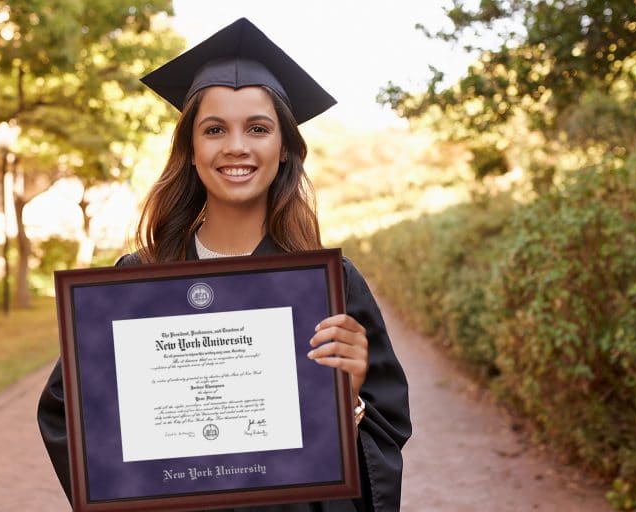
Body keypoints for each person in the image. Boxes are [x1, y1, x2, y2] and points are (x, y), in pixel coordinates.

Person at [37, 18, 411, 511]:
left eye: (257, 128)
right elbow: (69, 412)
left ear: (283, 150)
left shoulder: (330, 286)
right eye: (214, 129)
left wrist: (352, 399)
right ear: (192, 151)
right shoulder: (134, 283)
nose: (236, 146)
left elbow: (384, 431)